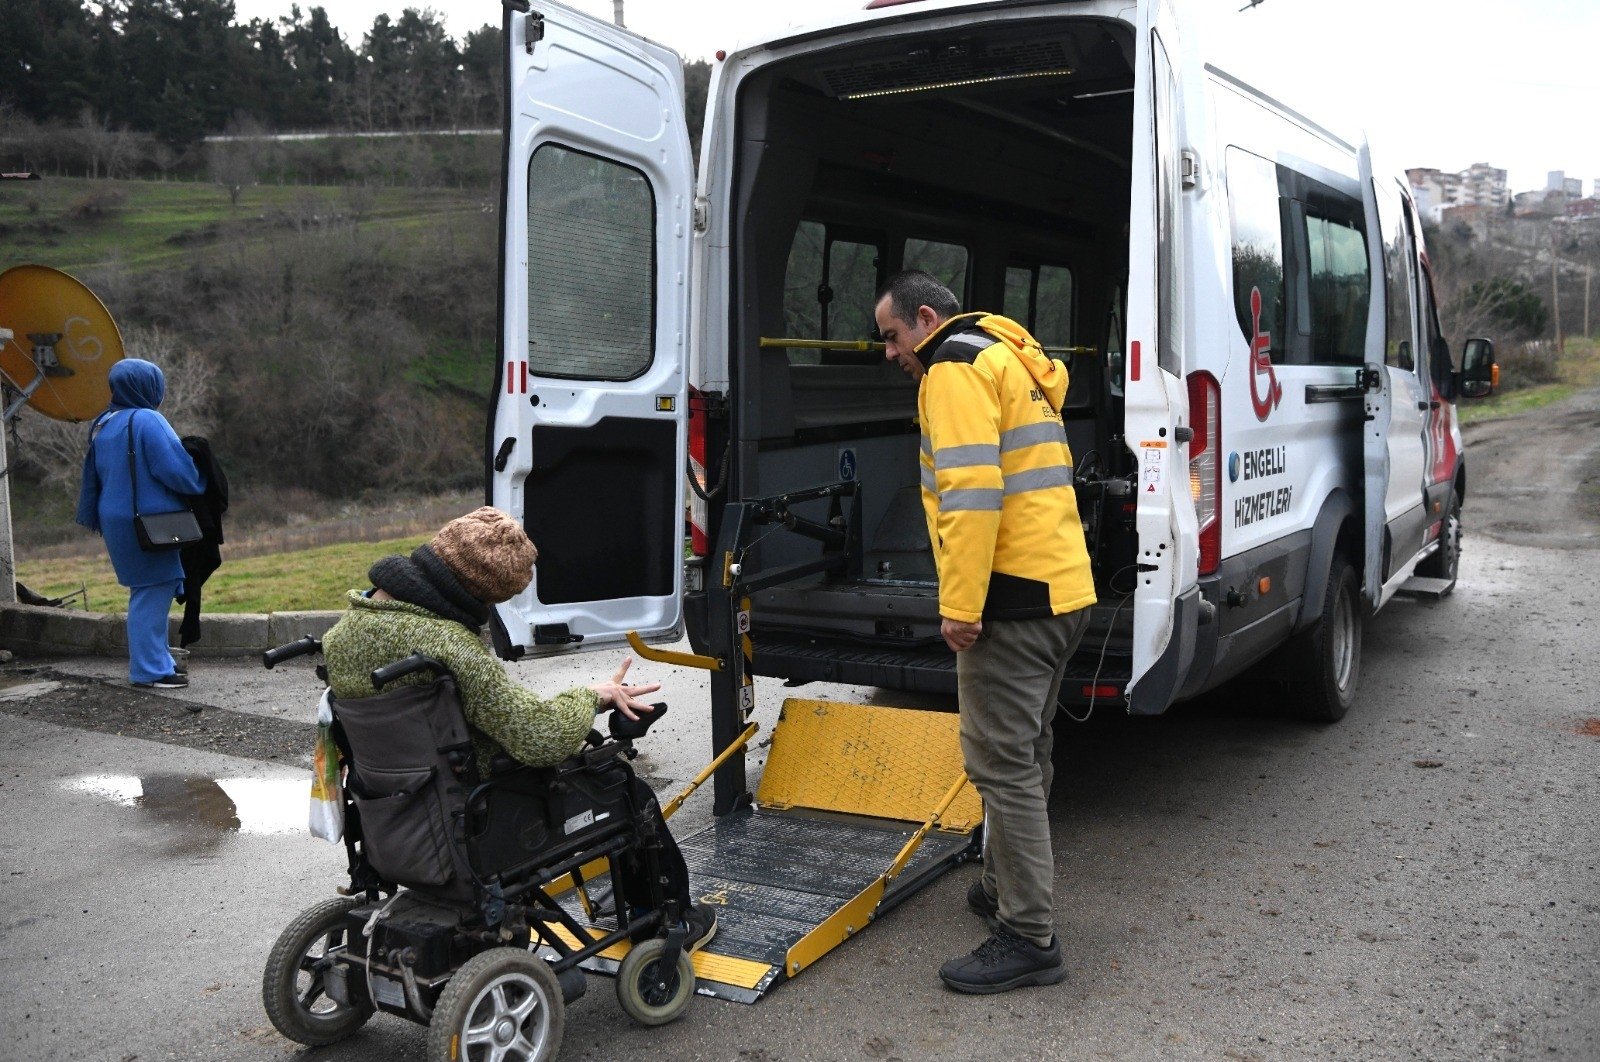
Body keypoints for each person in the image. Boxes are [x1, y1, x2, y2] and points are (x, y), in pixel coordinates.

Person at [320, 506, 717, 951]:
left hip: (393, 809)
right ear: (474, 593)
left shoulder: (345, 632)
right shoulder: (448, 646)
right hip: (476, 809)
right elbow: (539, 738)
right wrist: (592, 697)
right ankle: (667, 920)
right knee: (623, 787)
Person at [874, 270, 1097, 994]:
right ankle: (1002, 887)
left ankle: (1028, 934)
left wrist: (961, 606)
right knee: (1027, 748)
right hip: (1063, 587)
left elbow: (972, 496)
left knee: (1000, 763)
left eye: (892, 335)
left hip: (1013, 601)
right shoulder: (1007, 357)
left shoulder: (954, 368)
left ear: (926, 318)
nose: (890, 352)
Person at [75, 359, 206, 690]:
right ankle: (149, 670)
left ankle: (158, 661)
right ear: (148, 387)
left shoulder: (105, 422)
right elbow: (180, 472)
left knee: (147, 589)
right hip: (149, 522)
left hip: (118, 519)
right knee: (153, 590)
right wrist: (202, 474)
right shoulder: (147, 419)